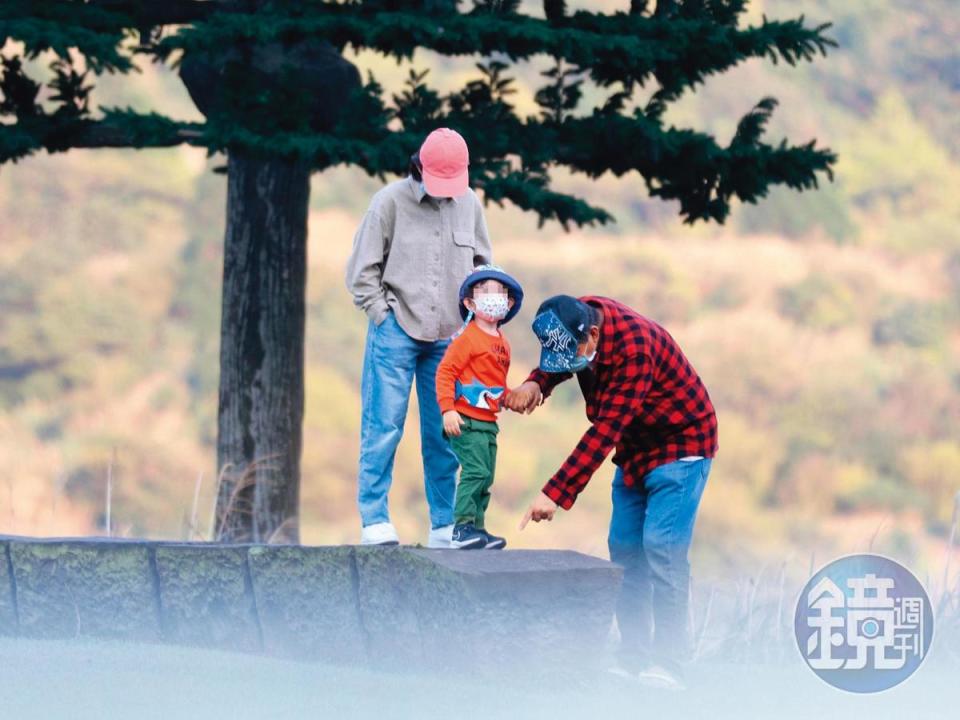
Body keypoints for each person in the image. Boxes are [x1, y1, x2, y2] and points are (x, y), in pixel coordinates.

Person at [507, 295, 719, 689]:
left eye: (575, 354)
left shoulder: (635, 349)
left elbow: (605, 431)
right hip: (636, 448)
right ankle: (632, 656)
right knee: (623, 548)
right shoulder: (578, 317)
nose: (570, 363)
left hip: (681, 444)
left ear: (593, 335)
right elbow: (562, 357)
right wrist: (537, 381)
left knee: (661, 548)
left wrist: (554, 493)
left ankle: (670, 663)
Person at [345, 128, 493, 547]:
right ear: (419, 168)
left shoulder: (470, 204)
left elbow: (484, 265)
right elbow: (361, 272)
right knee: (383, 426)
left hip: (450, 336)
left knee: (446, 432)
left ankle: (444, 525)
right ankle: (375, 519)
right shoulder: (389, 202)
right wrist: (382, 315)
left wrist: (477, 318)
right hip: (396, 330)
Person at [435, 265, 524, 550]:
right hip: (465, 419)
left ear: (509, 303)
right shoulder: (468, 337)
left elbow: (495, 383)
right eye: (484, 291)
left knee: (486, 475)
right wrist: (448, 408)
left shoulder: (503, 344)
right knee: (474, 471)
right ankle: (461, 529)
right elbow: (446, 371)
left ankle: (478, 529)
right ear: (470, 303)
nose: (493, 296)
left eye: (499, 291)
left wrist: (510, 398)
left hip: (488, 422)